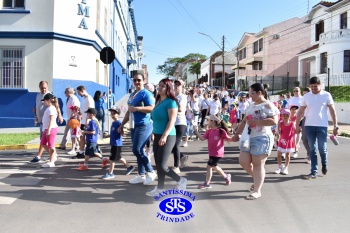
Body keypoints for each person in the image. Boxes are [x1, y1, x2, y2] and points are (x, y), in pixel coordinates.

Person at [232, 83, 279, 200]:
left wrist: (257, 122)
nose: (250, 96)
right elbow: (243, 122)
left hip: (262, 137)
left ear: (259, 93)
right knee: (243, 161)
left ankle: (257, 190)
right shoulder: (251, 105)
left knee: (258, 164)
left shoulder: (268, 105)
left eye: (252, 93)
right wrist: (236, 134)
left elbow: (274, 121)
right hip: (246, 137)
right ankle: (258, 179)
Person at [146, 78, 187, 196]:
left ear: (168, 88)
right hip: (158, 135)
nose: (159, 88)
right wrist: (154, 133)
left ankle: (180, 180)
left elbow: (172, 121)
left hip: (168, 136)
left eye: (163, 86)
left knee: (163, 165)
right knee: (158, 164)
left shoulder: (171, 102)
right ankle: (160, 188)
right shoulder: (159, 101)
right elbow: (156, 120)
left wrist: (164, 136)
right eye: (159, 85)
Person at [295, 76, 339, 179]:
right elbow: (300, 111)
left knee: (322, 148)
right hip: (309, 125)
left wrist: (335, 125)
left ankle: (324, 164)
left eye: (316, 86)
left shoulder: (326, 95)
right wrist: (296, 125)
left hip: (322, 125)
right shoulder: (306, 96)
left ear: (320, 85)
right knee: (312, 149)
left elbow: (332, 111)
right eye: (312, 86)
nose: (314, 88)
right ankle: (313, 171)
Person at [118, 73, 157, 185]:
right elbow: (129, 111)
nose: (137, 82)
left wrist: (137, 108)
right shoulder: (133, 94)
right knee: (139, 150)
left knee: (136, 149)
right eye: (135, 80)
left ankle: (150, 171)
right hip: (133, 125)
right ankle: (141, 175)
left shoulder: (146, 93)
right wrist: (122, 125)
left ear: (143, 81)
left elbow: (151, 108)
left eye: (139, 80)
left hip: (144, 125)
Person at [193, 114, 232, 189]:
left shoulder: (221, 131)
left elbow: (228, 138)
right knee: (214, 166)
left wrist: (237, 138)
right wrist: (196, 131)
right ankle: (226, 177)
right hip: (211, 152)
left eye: (209, 120)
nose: (207, 122)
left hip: (218, 153)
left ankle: (207, 183)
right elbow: (202, 138)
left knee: (209, 167)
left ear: (213, 122)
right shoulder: (209, 131)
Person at [29, 81, 63, 164]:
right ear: (39, 87)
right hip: (41, 119)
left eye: (45, 88)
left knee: (44, 140)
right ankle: (54, 154)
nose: (44, 89)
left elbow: (56, 105)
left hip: (48, 123)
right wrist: (35, 109)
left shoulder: (49, 95)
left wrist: (59, 115)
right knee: (44, 140)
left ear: (47, 87)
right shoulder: (38, 94)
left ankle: (39, 156)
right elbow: (36, 103)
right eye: (42, 88)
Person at [101, 106, 135, 179]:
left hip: (116, 144)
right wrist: (107, 136)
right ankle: (129, 167)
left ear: (118, 114)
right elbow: (113, 133)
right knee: (119, 157)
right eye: (111, 113)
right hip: (113, 144)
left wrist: (121, 131)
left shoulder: (119, 123)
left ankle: (111, 173)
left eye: (114, 113)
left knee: (112, 159)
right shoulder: (113, 123)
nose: (112, 115)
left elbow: (122, 133)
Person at [38, 93, 61, 167]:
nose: (44, 102)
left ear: (48, 100)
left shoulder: (51, 108)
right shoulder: (49, 108)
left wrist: (49, 130)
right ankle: (54, 156)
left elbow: (51, 120)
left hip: (51, 129)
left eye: (44, 101)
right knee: (43, 143)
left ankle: (52, 162)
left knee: (51, 145)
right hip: (47, 129)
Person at [172, 79, 188, 172]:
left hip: (180, 123)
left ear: (182, 87)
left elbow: (181, 109)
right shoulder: (172, 96)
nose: (177, 86)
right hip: (172, 123)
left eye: (179, 85)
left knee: (176, 144)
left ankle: (176, 166)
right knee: (170, 145)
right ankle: (182, 157)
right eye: (175, 84)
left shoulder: (182, 97)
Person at [75, 86, 95, 159]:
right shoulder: (85, 99)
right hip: (83, 121)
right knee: (82, 137)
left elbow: (90, 111)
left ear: (82, 90)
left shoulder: (89, 99)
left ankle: (93, 151)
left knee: (85, 137)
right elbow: (85, 110)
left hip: (87, 121)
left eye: (79, 92)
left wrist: (87, 120)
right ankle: (81, 152)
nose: (78, 94)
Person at [274, 109, 295, 175]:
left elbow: (295, 131)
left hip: (289, 141)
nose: (285, 117)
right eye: (283, 115)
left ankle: (286, 168)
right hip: (282, 140)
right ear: (282, 116)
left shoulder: (292, 123)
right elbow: (279, 132)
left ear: (289, 116)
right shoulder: (280, 123)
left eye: (286, 115)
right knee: (279, 154)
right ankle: (280, 167)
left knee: (287, 155)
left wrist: (299, 129)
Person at [301, 87, 311, 163]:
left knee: (310, 139)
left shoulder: (312, 100)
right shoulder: (302, 100)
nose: (305, 95)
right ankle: (309, 152)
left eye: (306, 93)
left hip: (312, 120)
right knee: (304, 139)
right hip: (303, 119)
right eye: (304, 94)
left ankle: (311, 156)